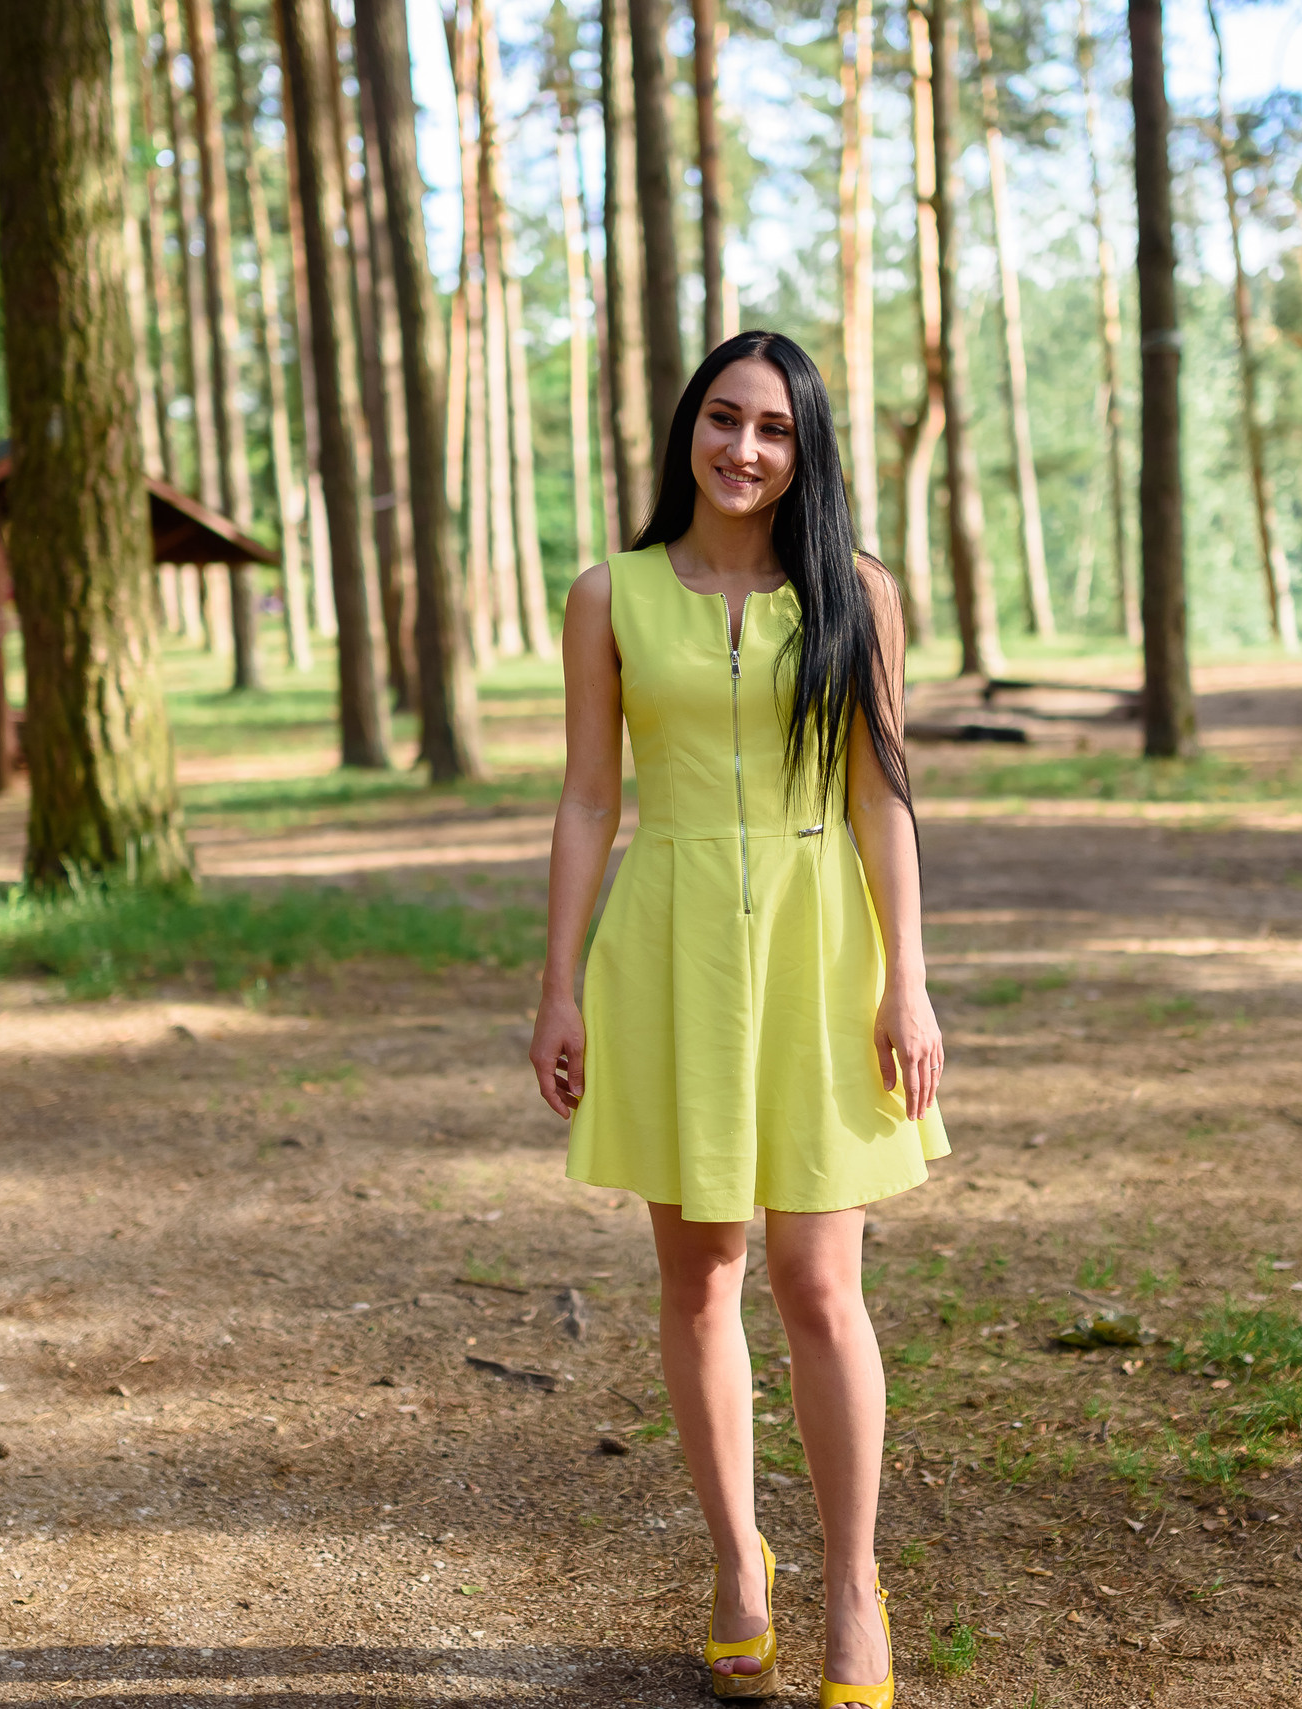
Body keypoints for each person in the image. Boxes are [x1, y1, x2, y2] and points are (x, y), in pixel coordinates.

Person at [528, 330, 948, 1708]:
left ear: (803, 446)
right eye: (725, 419)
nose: (746, 449)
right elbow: (591, 795)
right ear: (689, 429)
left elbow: (885, 792)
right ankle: (734, 1564)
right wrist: (559, 980)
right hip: (671, 943)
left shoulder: (856, 592)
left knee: (820, 1284)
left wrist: (910, 976)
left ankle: (854, 1587)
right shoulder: (612, 594)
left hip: (828, 943)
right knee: (700, 1272)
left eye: (774, 427)